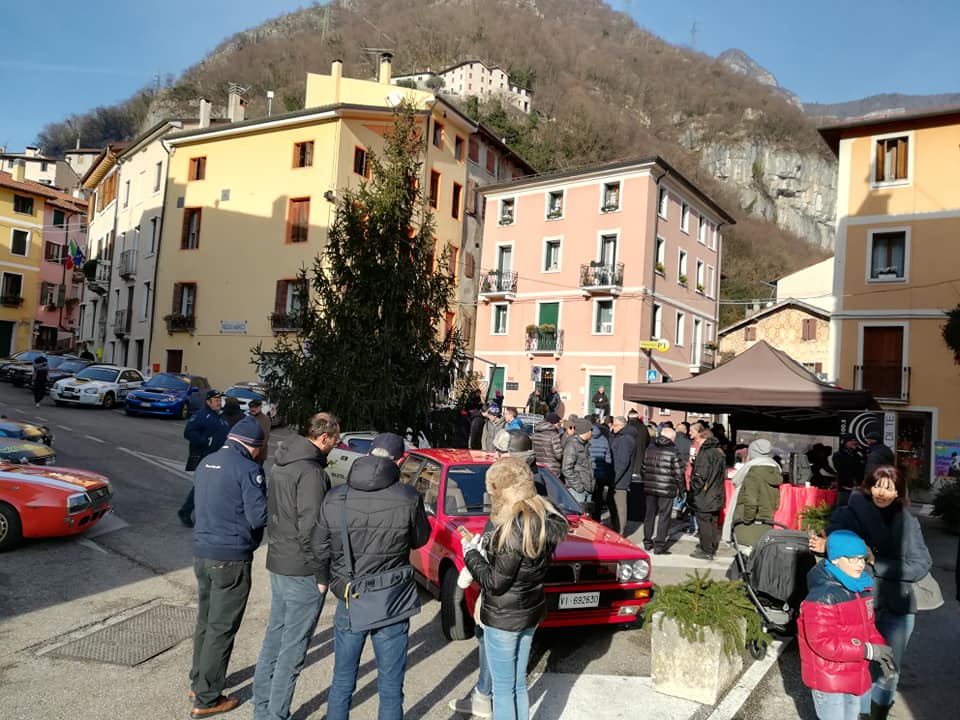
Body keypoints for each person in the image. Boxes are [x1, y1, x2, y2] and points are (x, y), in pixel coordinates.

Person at [311, 433, 431, 720]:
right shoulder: (408, 497)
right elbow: (420, 540)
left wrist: (323, 578)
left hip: (350, 595)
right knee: (390, 686)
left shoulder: (336, 496)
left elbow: (318, 545)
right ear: (399, 461)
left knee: (342, 681)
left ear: (368, 453)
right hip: (392, 599)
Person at [809, 465, 931, 720]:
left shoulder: (908, 522)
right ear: (868, 486)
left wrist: (876, 562)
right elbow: (833, 548)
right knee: (861, 665)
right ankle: (862, 714)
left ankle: (878, 714)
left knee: (889, 669)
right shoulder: (848, 514)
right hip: (859, 603)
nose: (881, 493)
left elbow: (920, 565)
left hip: (897, 606)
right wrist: (825, 545)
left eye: (889, 488)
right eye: (877, 486)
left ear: (898, 492)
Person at [461, 457, 568, 720]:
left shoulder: (511, 530)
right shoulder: (542, 517)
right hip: (530, 611)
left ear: (499, 493)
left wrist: (471, 553)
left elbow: (495, 583)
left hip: (503, 617)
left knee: (503, 689)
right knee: (518, 684)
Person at [252, 412, 340, 720]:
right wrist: (321, 573)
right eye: (336, 438)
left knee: (275, 637)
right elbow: (311, 530)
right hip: (302, 569)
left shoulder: (283, 460)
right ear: (323, 437)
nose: (337, 443)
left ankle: (262, 709)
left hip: (280, 560)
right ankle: (276, 714)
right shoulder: (311, 472)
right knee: (293, 648)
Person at [189, 416, 268, 718]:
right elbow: (258, 517)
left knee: (206, 621)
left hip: (202, 552)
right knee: (221, 629)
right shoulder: (248, 469)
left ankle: (198, 682)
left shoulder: (206, 462)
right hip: (231, 556)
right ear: (253, 446)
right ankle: (207, 698)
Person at [798, 530, 895, 720]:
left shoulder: (861, 588)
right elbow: (822, 642)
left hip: (855, 673)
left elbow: (869, 627)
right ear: (835, 559)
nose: (860, 564)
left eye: (862, 558)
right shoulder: (823, 596)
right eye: (852, 559)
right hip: (830, 679)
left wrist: (882, 650)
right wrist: (868, 651)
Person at [179, 391, 230, 528]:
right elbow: (189, 432)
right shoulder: (202, 415)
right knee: (203, 486)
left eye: (220, 400)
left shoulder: (221, 417)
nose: (219, 402)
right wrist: (206, 441)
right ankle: (186, 511)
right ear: (208, 401)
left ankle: (202, 513)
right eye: (216, 400)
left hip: (220, 458)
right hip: (206, 457)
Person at [722, 439, 782, 547]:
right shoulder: (773, 471)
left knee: (745, 553)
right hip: (765, 521)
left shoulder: (753, 472)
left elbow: (751, 500)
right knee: (758, 553)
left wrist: (746, 519)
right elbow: (776, 502)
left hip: (747, 525)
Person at [640, 427, 684, 554]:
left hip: (650, 487)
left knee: (649, 515)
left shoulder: (649, 448)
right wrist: (681, 489)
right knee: (664, 516)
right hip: (666, 488)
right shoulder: (674, 451)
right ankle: (659, 545)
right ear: (672, 438)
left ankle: (647, 541)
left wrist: (646, 481)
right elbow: (679, 473)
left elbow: (643, 468)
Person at [688, 427, 726, 561]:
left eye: (698, 440)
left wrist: (693, 489)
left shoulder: (706, 452)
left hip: (705, 494)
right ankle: (711, 546)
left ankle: (706, 550)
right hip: (716, 492)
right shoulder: (719, 452)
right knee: (712, 522)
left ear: (703, 438)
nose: (697, 442)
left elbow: (700, 475)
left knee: (704, 522)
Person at [608, 416, 637, 534]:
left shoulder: (625, 439)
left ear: (622, 426)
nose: (613, 427)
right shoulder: (621, 437)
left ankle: (619, 531)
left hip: (619, 480)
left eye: (615, 425)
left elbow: (622, 462)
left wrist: (613, 479)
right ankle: (617, 529)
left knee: (619, 506)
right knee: (614, 505)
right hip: (618, 478)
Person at [561, 418, 595, 508]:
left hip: (587, 488)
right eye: (591, 430)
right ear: (586, 431)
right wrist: (579, 487)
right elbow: (566, 469)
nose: (592, 432)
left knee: (587, 515)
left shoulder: (584, 444)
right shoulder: (572, 445)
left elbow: (586, 466)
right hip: (578, 491)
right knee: (578, 514)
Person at [588, 421, 613, 522]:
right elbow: (608, 459)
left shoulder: (587, 438)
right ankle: (597, 519)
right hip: (601, 474)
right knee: (598, 498)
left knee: (589, 498)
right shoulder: (604, 439)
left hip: (589, 474)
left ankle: (589, 519)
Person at [833, 435, 865, 507]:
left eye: (855, 440)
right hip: (844, 488)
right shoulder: (838, 454)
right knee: (842, 507)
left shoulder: (858, 454)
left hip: (858, 488)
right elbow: (841, 469)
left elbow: (861, 469)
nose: (854, 442)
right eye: (851, 441)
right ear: (845, 443)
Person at [531, 412, 563, 477]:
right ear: (555, 423)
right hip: (551, 470)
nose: (560, 425)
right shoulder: (554, 436)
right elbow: (559, 455)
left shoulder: (534, 435)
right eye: (559, 423)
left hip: (538, 468)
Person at [247, 397, 272, 465]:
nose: (253, 409)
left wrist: (257, 451)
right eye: (251, 407)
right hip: (247, 452)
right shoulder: (247, 417)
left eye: (255, 407)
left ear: (260, 407)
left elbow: (265, 437)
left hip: (258, 454)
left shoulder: (265, 419)